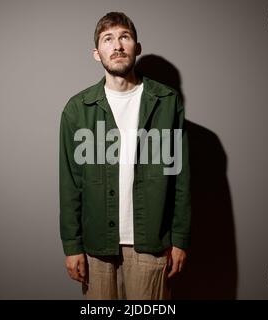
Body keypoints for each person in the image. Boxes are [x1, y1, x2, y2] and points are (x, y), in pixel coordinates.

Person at [59, 12, 191, 300]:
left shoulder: (167, 102)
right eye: (108, 39)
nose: (117, 45)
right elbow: (70, 184)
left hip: (151, 242)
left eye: (124, 37)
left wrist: (180, 239)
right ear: (97, 53)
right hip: (97, 247)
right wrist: (72, 246)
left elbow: (181, 176)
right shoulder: (77, 109)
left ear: (137, 47)